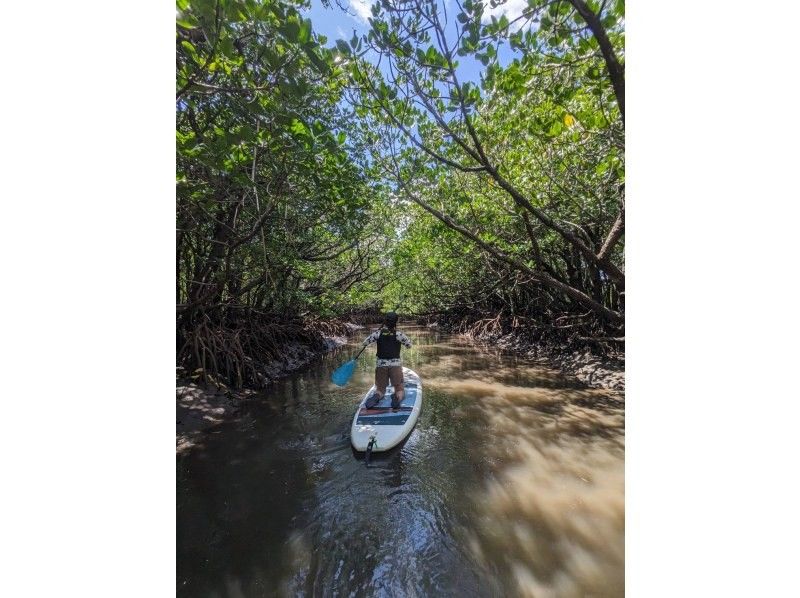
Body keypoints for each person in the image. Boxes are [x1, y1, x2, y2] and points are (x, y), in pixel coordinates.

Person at [361, 312, 412, 410]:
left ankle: (377, 397)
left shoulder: (378, 334)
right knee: (399, 388)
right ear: (395, 323)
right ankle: (397, 398)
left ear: (385, 322)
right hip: (395, 365)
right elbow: (409, 346)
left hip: (381, 365)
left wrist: (378, 332)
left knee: (380, 390)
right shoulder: (399, 334)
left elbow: (365, 343)